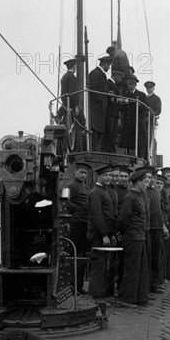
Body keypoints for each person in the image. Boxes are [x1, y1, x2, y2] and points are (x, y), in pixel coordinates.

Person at [116, 168, 151, 307]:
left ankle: (140, 297)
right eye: (146, 182)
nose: (148, 184)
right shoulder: (130, 197)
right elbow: (123, 219)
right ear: (138, 182)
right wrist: (123, 233)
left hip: (139, 237)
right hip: (132, 238)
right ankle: (125, 299)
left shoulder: (139, 196)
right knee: (131, 269)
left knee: (141, 269)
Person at [87, 165, 117, 297]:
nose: (108, 177)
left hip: (105, 233)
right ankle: (96, 296)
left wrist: (111, 234)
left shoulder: (104, 191)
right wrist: (104, 235)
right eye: (105, 175)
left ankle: (102, 294)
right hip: (98, 234)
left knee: (104, 264)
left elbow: (108, 216)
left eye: (110, 175)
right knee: (98, 265)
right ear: (98, 177)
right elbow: (97, 216)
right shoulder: (95, 193)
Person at [65, 162, 90, 293]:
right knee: (76, 254)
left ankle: (78, 285)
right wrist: (78, 210)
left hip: (84, 223)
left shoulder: (84, 186)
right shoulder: (71, 186)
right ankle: (73, 286)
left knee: (82, 255)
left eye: (85, 173)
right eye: (81, 172)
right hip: (77, 224)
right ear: (75, 172)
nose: (83, 175)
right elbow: (66, 203)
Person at [147, 173, 168, 293]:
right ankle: (148, 286)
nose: (152, 180)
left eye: (154, 178)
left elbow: (159, 212)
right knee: (149, 258)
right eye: (150, 178)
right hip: (148, 228)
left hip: (157, 228)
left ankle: (154, 284)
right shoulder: (144, 192)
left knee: (156, 257)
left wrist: (163, 226)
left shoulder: (156, 192)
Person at [57, 58, 84, 152]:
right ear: (73, 66)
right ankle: (78, 150)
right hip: (71, 105)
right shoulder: (72, 77)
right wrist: (76, 105)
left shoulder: (64, 77)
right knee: (79, 126)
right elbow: (73, 93)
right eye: (76, 65)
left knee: (66, 128)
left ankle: (64, 150)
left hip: (65, 105)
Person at [119, 74, 148, 159]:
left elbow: (146, 108)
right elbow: (121, 108)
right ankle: (129, 157)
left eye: (132, 84)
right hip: (128, 122)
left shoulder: (141, 95)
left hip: (138, 122)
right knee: (128, 141)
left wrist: (139, 105)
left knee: (140, 140)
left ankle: (140, 157)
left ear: (135, 85)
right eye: (129, 84)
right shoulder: (125, 95)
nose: (130, 86)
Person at [88, 55, 112, 151]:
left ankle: (96, 149)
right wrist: (102, 96)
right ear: (105, 64)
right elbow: (93, 89)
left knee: (98, 131)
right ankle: (94, 150)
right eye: (109, 65)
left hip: (100, 109)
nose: (109, 67)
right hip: (96, 109)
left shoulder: (101, 75)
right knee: (95, 130)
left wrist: (106, 94)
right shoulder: (95, 73)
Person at [104, 70, 125, 153]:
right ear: (115, 75)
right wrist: (121, 100)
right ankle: (107, 150)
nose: (120, 79)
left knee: (114, 133)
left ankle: (112, 149)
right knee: (109, 132)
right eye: (119, 77)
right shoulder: (109, 83)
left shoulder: (114, 85)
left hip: (114, 113)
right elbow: (111, 99)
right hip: (110, 112)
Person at [144, 81, 161, 155]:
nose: (149, 89)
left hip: (150, 120)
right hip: (143, 119)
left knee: (149, 136)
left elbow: (158, 110)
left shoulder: (156, 98)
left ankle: (148, 152)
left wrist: (150, 115)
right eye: (147, 88)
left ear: (153, 88)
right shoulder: (144, 98)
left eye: (150, 88)